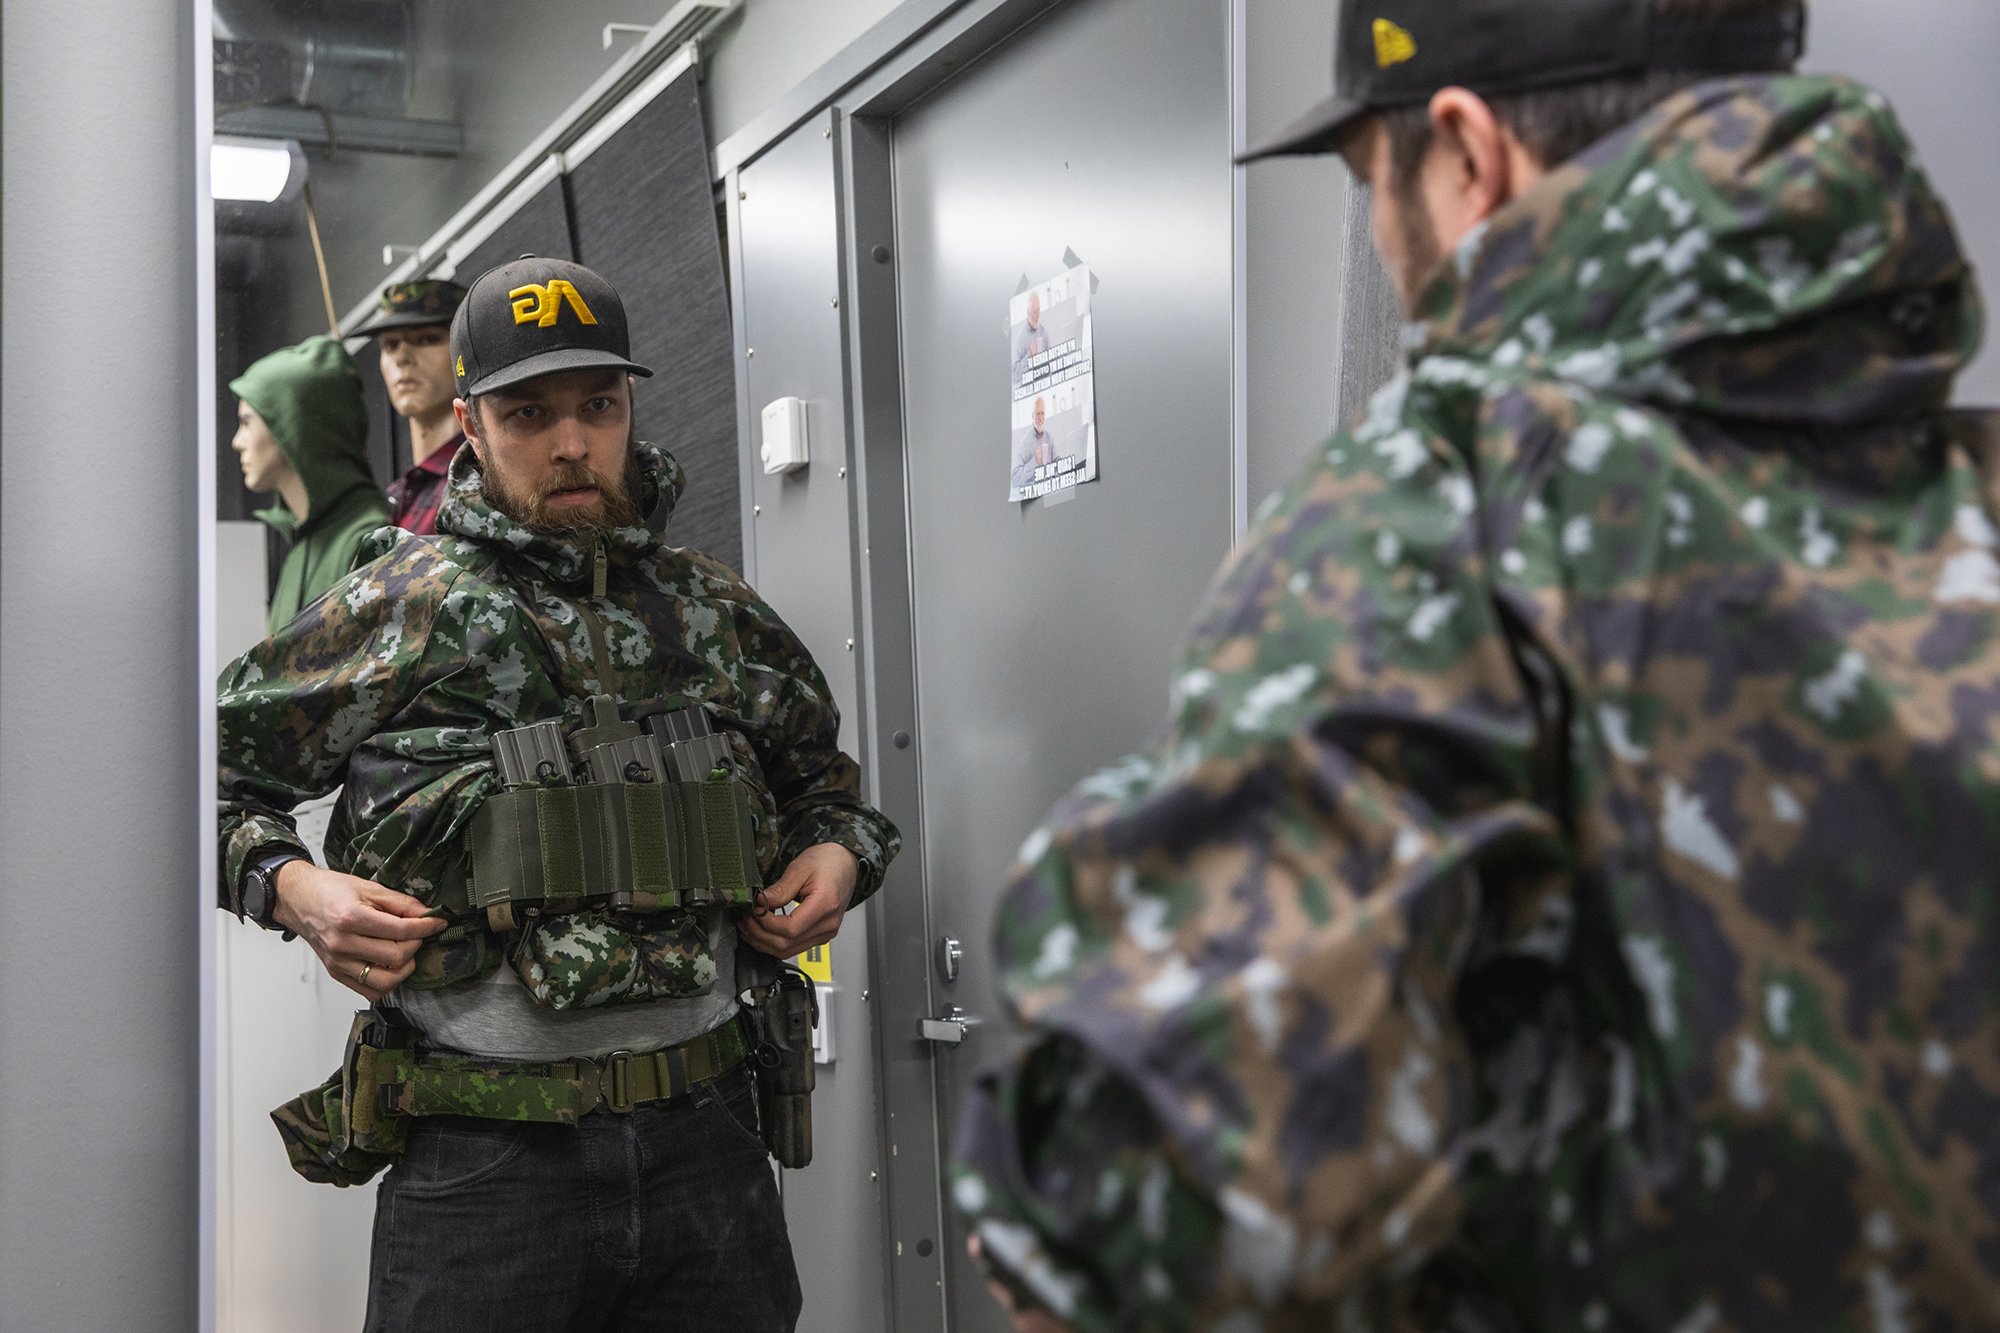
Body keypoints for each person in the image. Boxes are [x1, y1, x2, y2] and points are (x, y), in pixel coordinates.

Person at [952, 0, 2000, 1329]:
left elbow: (1191, 1216)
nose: (1390, 246)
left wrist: (1052, 1221)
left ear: (1466, 153)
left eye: (1367, 183)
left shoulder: (1448, 497)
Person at [217, 256, 899, 1331]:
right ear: (472, 427)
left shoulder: (708, 607)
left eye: (598, 405)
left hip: (709, 1151)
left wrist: (837, 857)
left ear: (629, 410)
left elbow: (828, 791)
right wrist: (292, 888)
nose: (572, 442)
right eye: (529, 412)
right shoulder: (407, 603)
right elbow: (196, 780)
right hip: (486, 1172)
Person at [230, 334, 391, 633]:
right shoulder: (299, 552)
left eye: (246, 422)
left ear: (293, 424)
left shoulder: (368, 541)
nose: (237, 442)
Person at [355, 278, 469, 534]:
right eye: (390, 345)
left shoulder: (482, 478)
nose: (402, 358)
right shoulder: (398, 497)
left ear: (466, 348)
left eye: (427, 339)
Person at [1011, 396, 1062, 492]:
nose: (1041, 418)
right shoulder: (1025, 443)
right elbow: (1015, 479)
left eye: (1042, 413)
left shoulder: (1048, 436)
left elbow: (1057, 460)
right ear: (1032, 415)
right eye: (1037, 414)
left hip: (1051, 489)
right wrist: (1034, 461)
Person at [1014, 289, 1056, 387]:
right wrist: (1029, 356)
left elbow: (1050, 364)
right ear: (1028, 312)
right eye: (1034, 312)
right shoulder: (1021, 337)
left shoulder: (1044, 332)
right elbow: (1015, 376)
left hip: (1044, 384)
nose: (1037, 315)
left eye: (1038, 310)